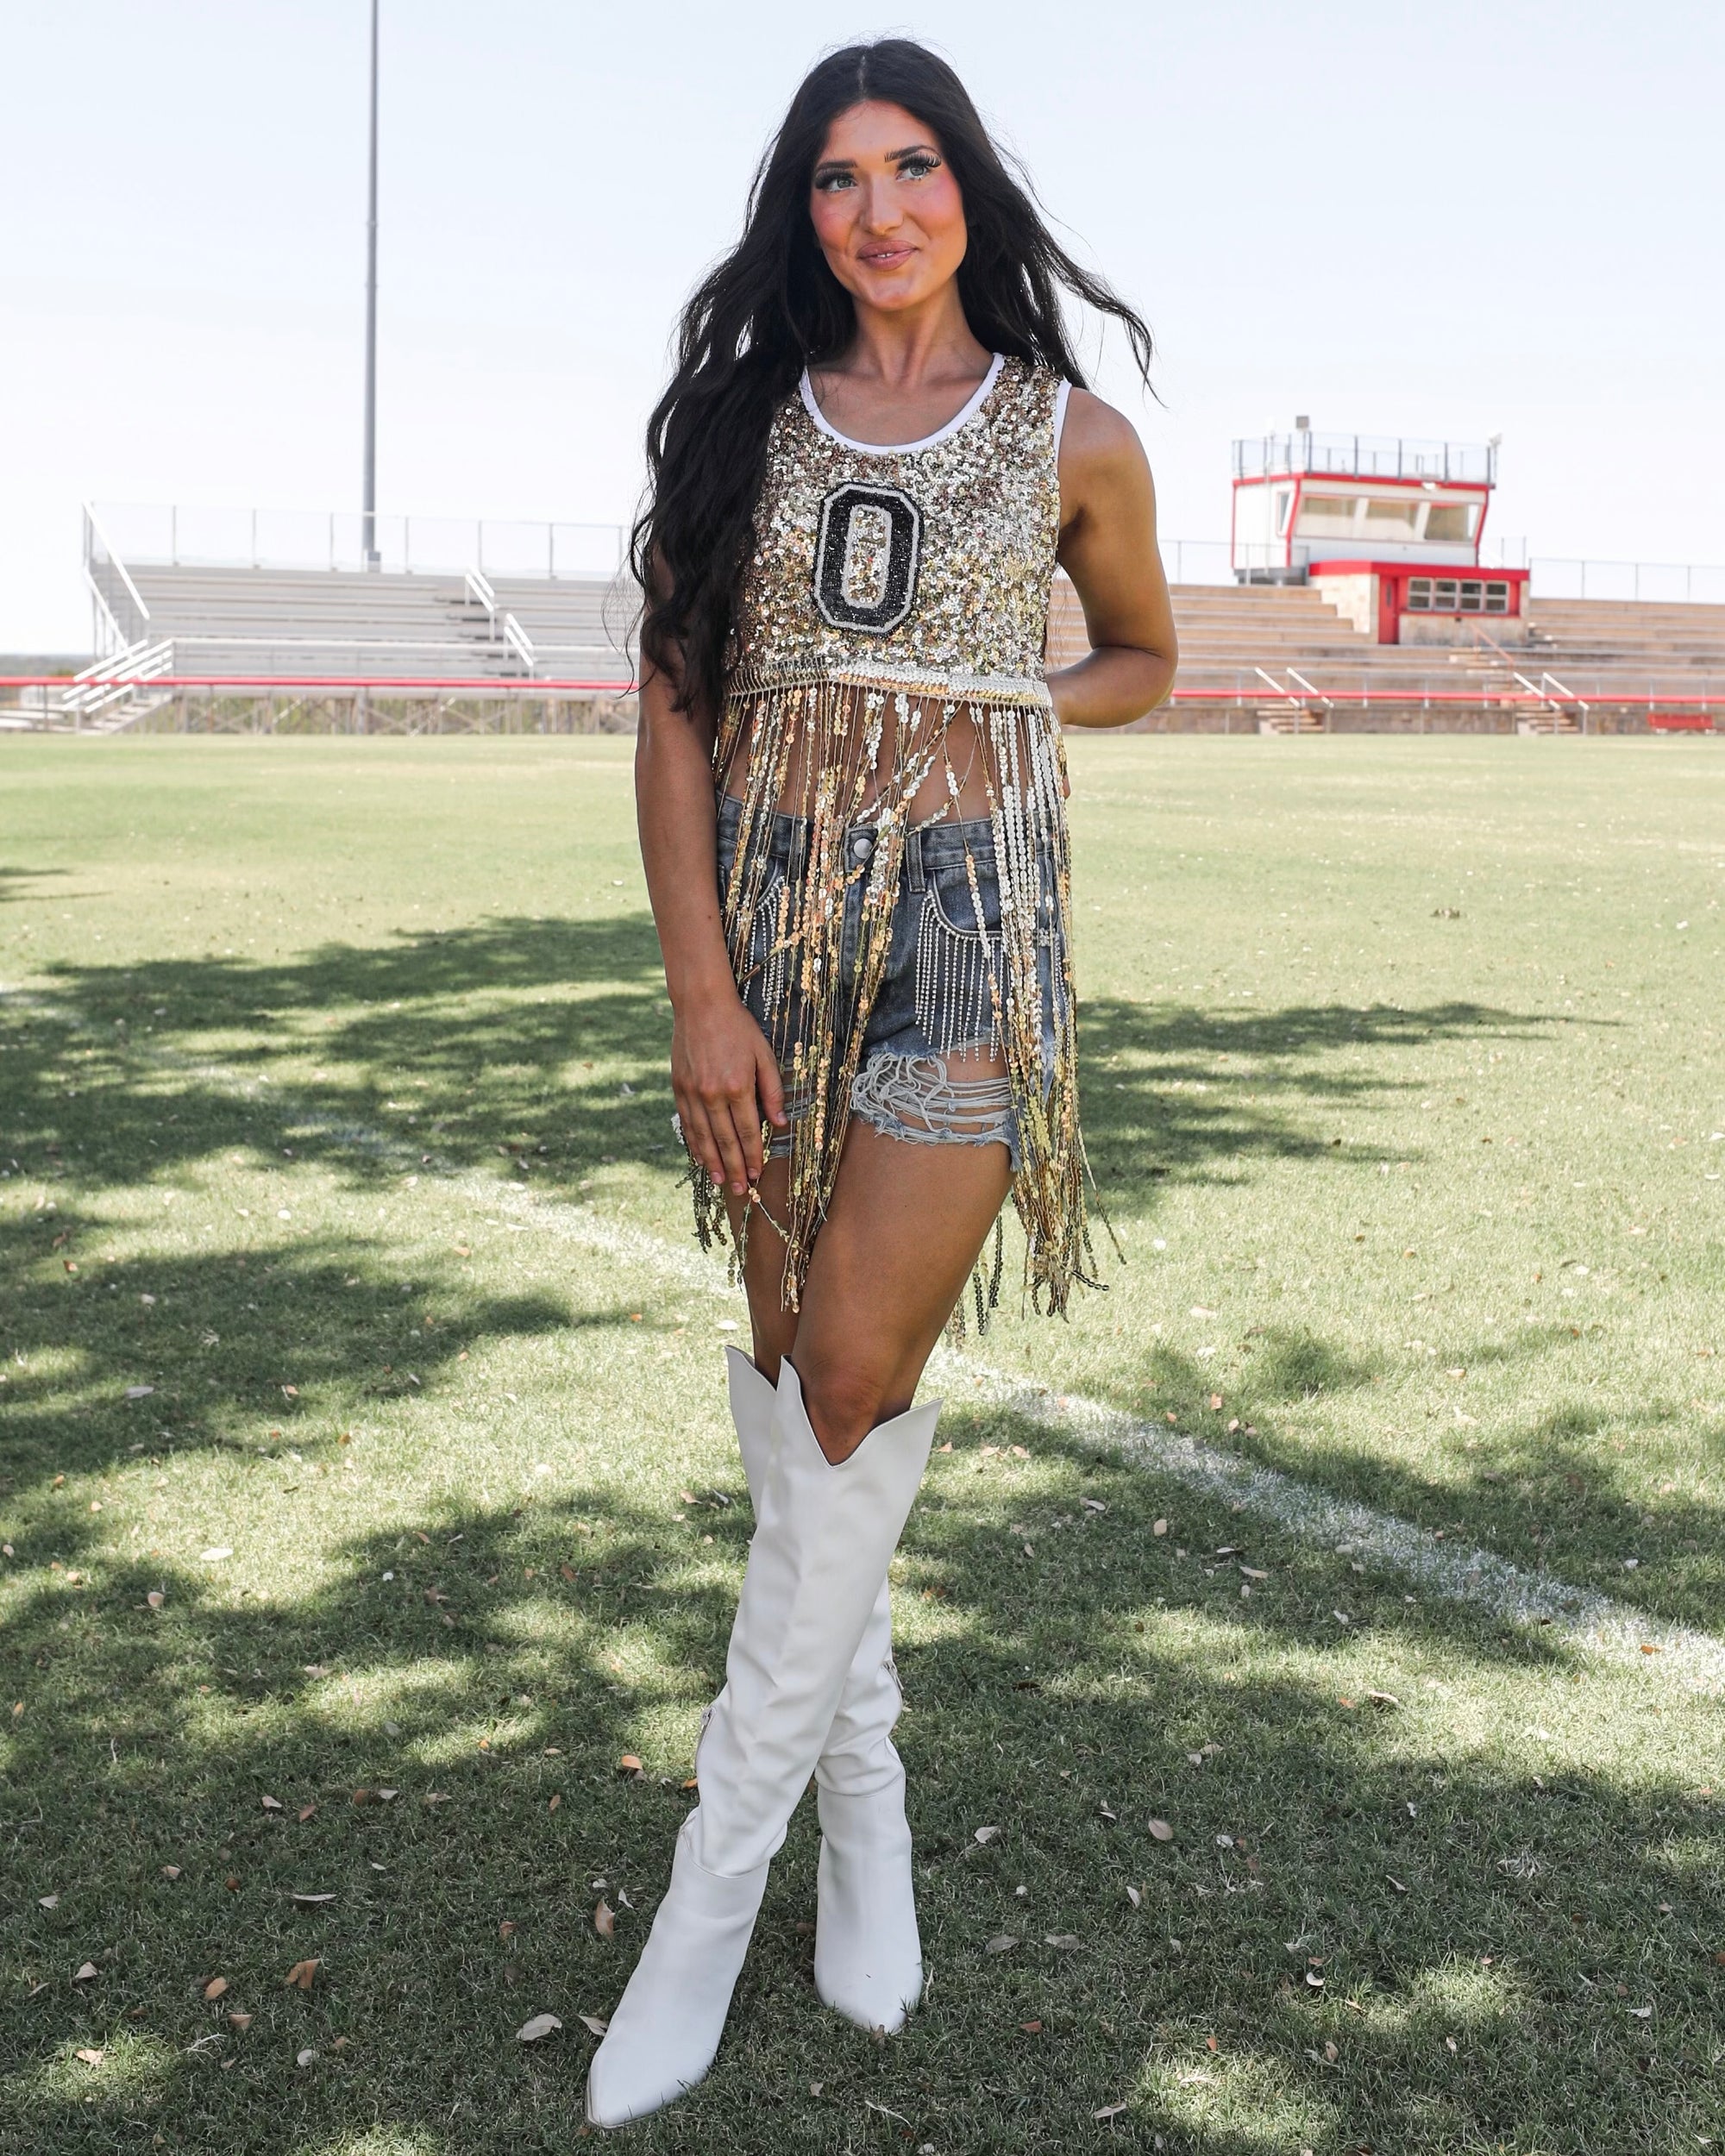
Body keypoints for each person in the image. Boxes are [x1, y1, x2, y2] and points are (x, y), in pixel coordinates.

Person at [586, 37, 1176, 2128]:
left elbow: (1140, 656)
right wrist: (700, 995)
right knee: (793, 1400)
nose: (879, 208)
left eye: (911, 164)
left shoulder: (1070, 433)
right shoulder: (744, 422)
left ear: (966, 187)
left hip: (965, 928)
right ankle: (871, 1808)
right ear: (802, 211)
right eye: (836, 178)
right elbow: (668, 718)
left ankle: (704, 1895)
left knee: (842, 1379)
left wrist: (1003, 680)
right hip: (767, 938)